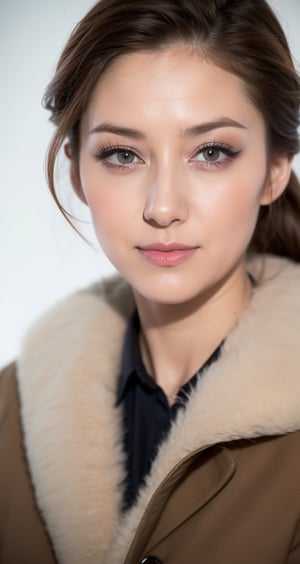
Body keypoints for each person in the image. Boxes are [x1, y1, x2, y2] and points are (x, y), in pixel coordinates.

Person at [1, 0, 300, 562]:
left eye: (211, 152)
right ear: (78, 173)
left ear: (275, 169)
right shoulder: (11, 409)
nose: (163, 207)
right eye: (122, 154)